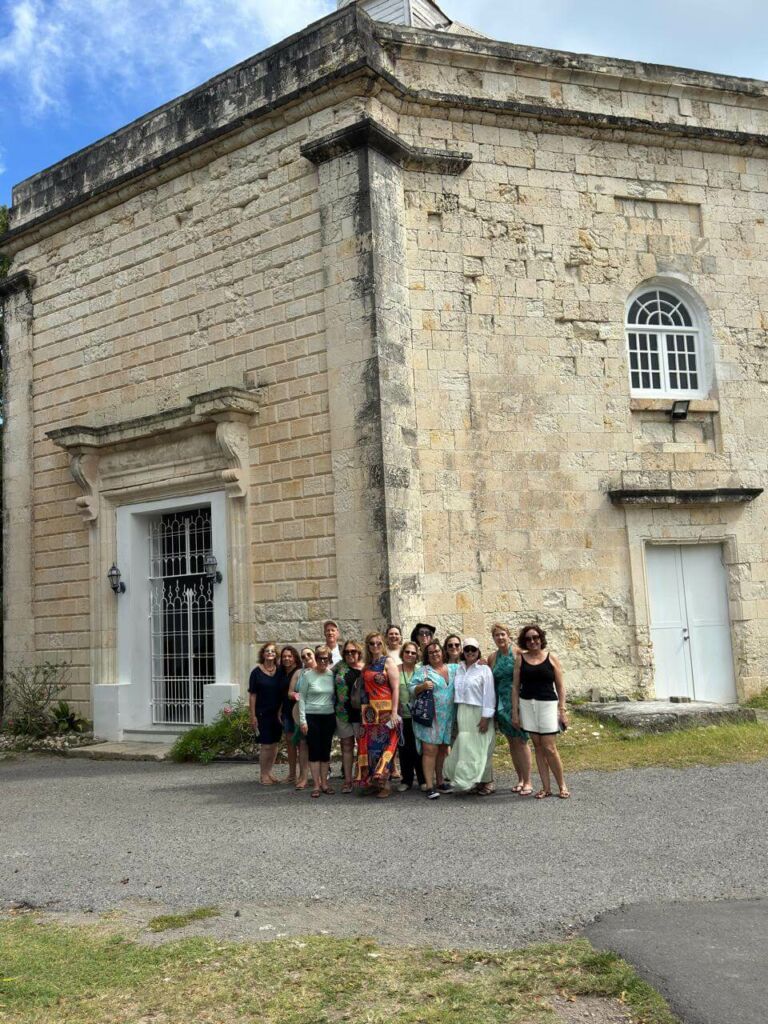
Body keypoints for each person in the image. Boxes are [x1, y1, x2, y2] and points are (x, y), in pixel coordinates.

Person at [512, 624, 570, 800]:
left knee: (549, 747)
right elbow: (515, 687)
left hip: (548, 705)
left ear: (541, 639)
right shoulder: (520, 659)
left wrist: (562, 710)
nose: (532, 641)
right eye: (528, 639)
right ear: (524, 641)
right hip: (527, 705)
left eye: (535, 637)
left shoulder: (551, 658)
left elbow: (560, 686)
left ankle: (562, 785)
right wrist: (515, 712)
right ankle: (546, 788)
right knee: (537, 747)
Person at [444, 638, 496, 795]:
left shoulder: (484, 670)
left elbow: (489, 694)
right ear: (463, 651)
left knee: (482, 747)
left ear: (478, 651)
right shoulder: (458, 669)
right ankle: (473, 780)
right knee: (467, 748)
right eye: (467, 649)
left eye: (473, 649)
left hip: (479, 711)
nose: (470, 652)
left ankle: (487, 781)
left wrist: (486, 717)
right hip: (463, 711)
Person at [488, 622, 532, 796]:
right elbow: (491, 683)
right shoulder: (493, 658)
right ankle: (520, 779)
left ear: (508, 635)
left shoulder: (519, 653)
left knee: (521, 741)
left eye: (502, 634)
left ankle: (528, 781)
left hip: (518, 703)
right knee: (512, 743)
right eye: (496, 635)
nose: (500, 637)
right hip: (501, 705)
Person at [355, 631, 401, 798]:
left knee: (385, 748)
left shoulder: (388, 662)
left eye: (378, 643)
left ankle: (385, 784)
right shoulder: (367, 665)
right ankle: (373, 783)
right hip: (369, 714)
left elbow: (395, 688)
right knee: (370, 748)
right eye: (372, 643)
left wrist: (394, 712)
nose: (375, 646)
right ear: (367, 646)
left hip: (385, 713)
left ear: (383, 645)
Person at [409, 640, 457, 799]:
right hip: (430, 718)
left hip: (447, 718)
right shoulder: (423, 671)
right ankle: (429, 786)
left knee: (442, 750)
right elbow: (411, 688)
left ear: (442, 652)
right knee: (430, 751)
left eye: (437, 651)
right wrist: (422, 687)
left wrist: (482, 662)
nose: (435, 654)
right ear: (427, 656)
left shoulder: (453, 668)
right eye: (431, 652)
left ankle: (440, 781)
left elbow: (469, 668)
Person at [298, 644, 337, 798]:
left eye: (325, 659)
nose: (322, 661)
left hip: (328, 716)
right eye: (320, 658)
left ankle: (325, 784)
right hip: (311, 716)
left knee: (325, 751)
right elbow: (301, 698)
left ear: (329, 659)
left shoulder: (331, 675)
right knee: (314, 752)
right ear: (316, 658)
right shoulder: (308, 675)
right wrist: (303, 721)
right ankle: (316, 785)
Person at [248, 642, 285, 786]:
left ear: (276, 655)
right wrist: (253, 715)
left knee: (275, 744)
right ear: (263, 654)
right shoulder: (256, 672)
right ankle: (263, 774)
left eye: (273, 651)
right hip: (262, 714)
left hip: (277, 714)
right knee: (266, 745)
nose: (270, 653)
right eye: (267, 651)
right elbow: (252, 695)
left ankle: (269, 772)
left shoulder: (280, 670)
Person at [396, 641, 426, 792]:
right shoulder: (396, 670)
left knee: (419, 748)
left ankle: (422, 780)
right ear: (402, 653)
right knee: (404, 748)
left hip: (418, 715)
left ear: (417, 655)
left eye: (413, 653)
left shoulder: (421, 671)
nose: (410, 655)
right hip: (403, 716)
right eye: (407, 652)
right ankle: (406, 780)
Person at [335, 640, 364, 793]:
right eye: (346, 652)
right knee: (346, 746)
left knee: (362, 746)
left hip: (362, 714)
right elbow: (323, 673)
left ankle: (360, 777)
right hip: (343, 713)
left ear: (359, 652)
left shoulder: (366, 668)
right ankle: (347, 780)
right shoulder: (339, 667)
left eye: (353, 651)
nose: (350, 654)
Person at [290, 647, 315, 789]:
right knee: (303, 744)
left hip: (318, 712)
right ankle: (304, 777)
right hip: (301, 712)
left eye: (309, 654)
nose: (306, 657)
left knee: (317, 744)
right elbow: (290, 692)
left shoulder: (322, 670)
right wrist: (299, 696)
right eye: (303, 656)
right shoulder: (298, 673)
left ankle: (318, 777)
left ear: (314, 655)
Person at [278, 645, 302, 785]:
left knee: (301, 744)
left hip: (298, 711)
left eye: (289, 656)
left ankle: (302, 775)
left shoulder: (299, 672)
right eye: (284, 656)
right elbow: (282, 694)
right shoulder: (282, 672)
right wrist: (280, 710)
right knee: (290, 743)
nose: (286, 658)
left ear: (295, 658)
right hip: (287, 711)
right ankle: (292, 774)